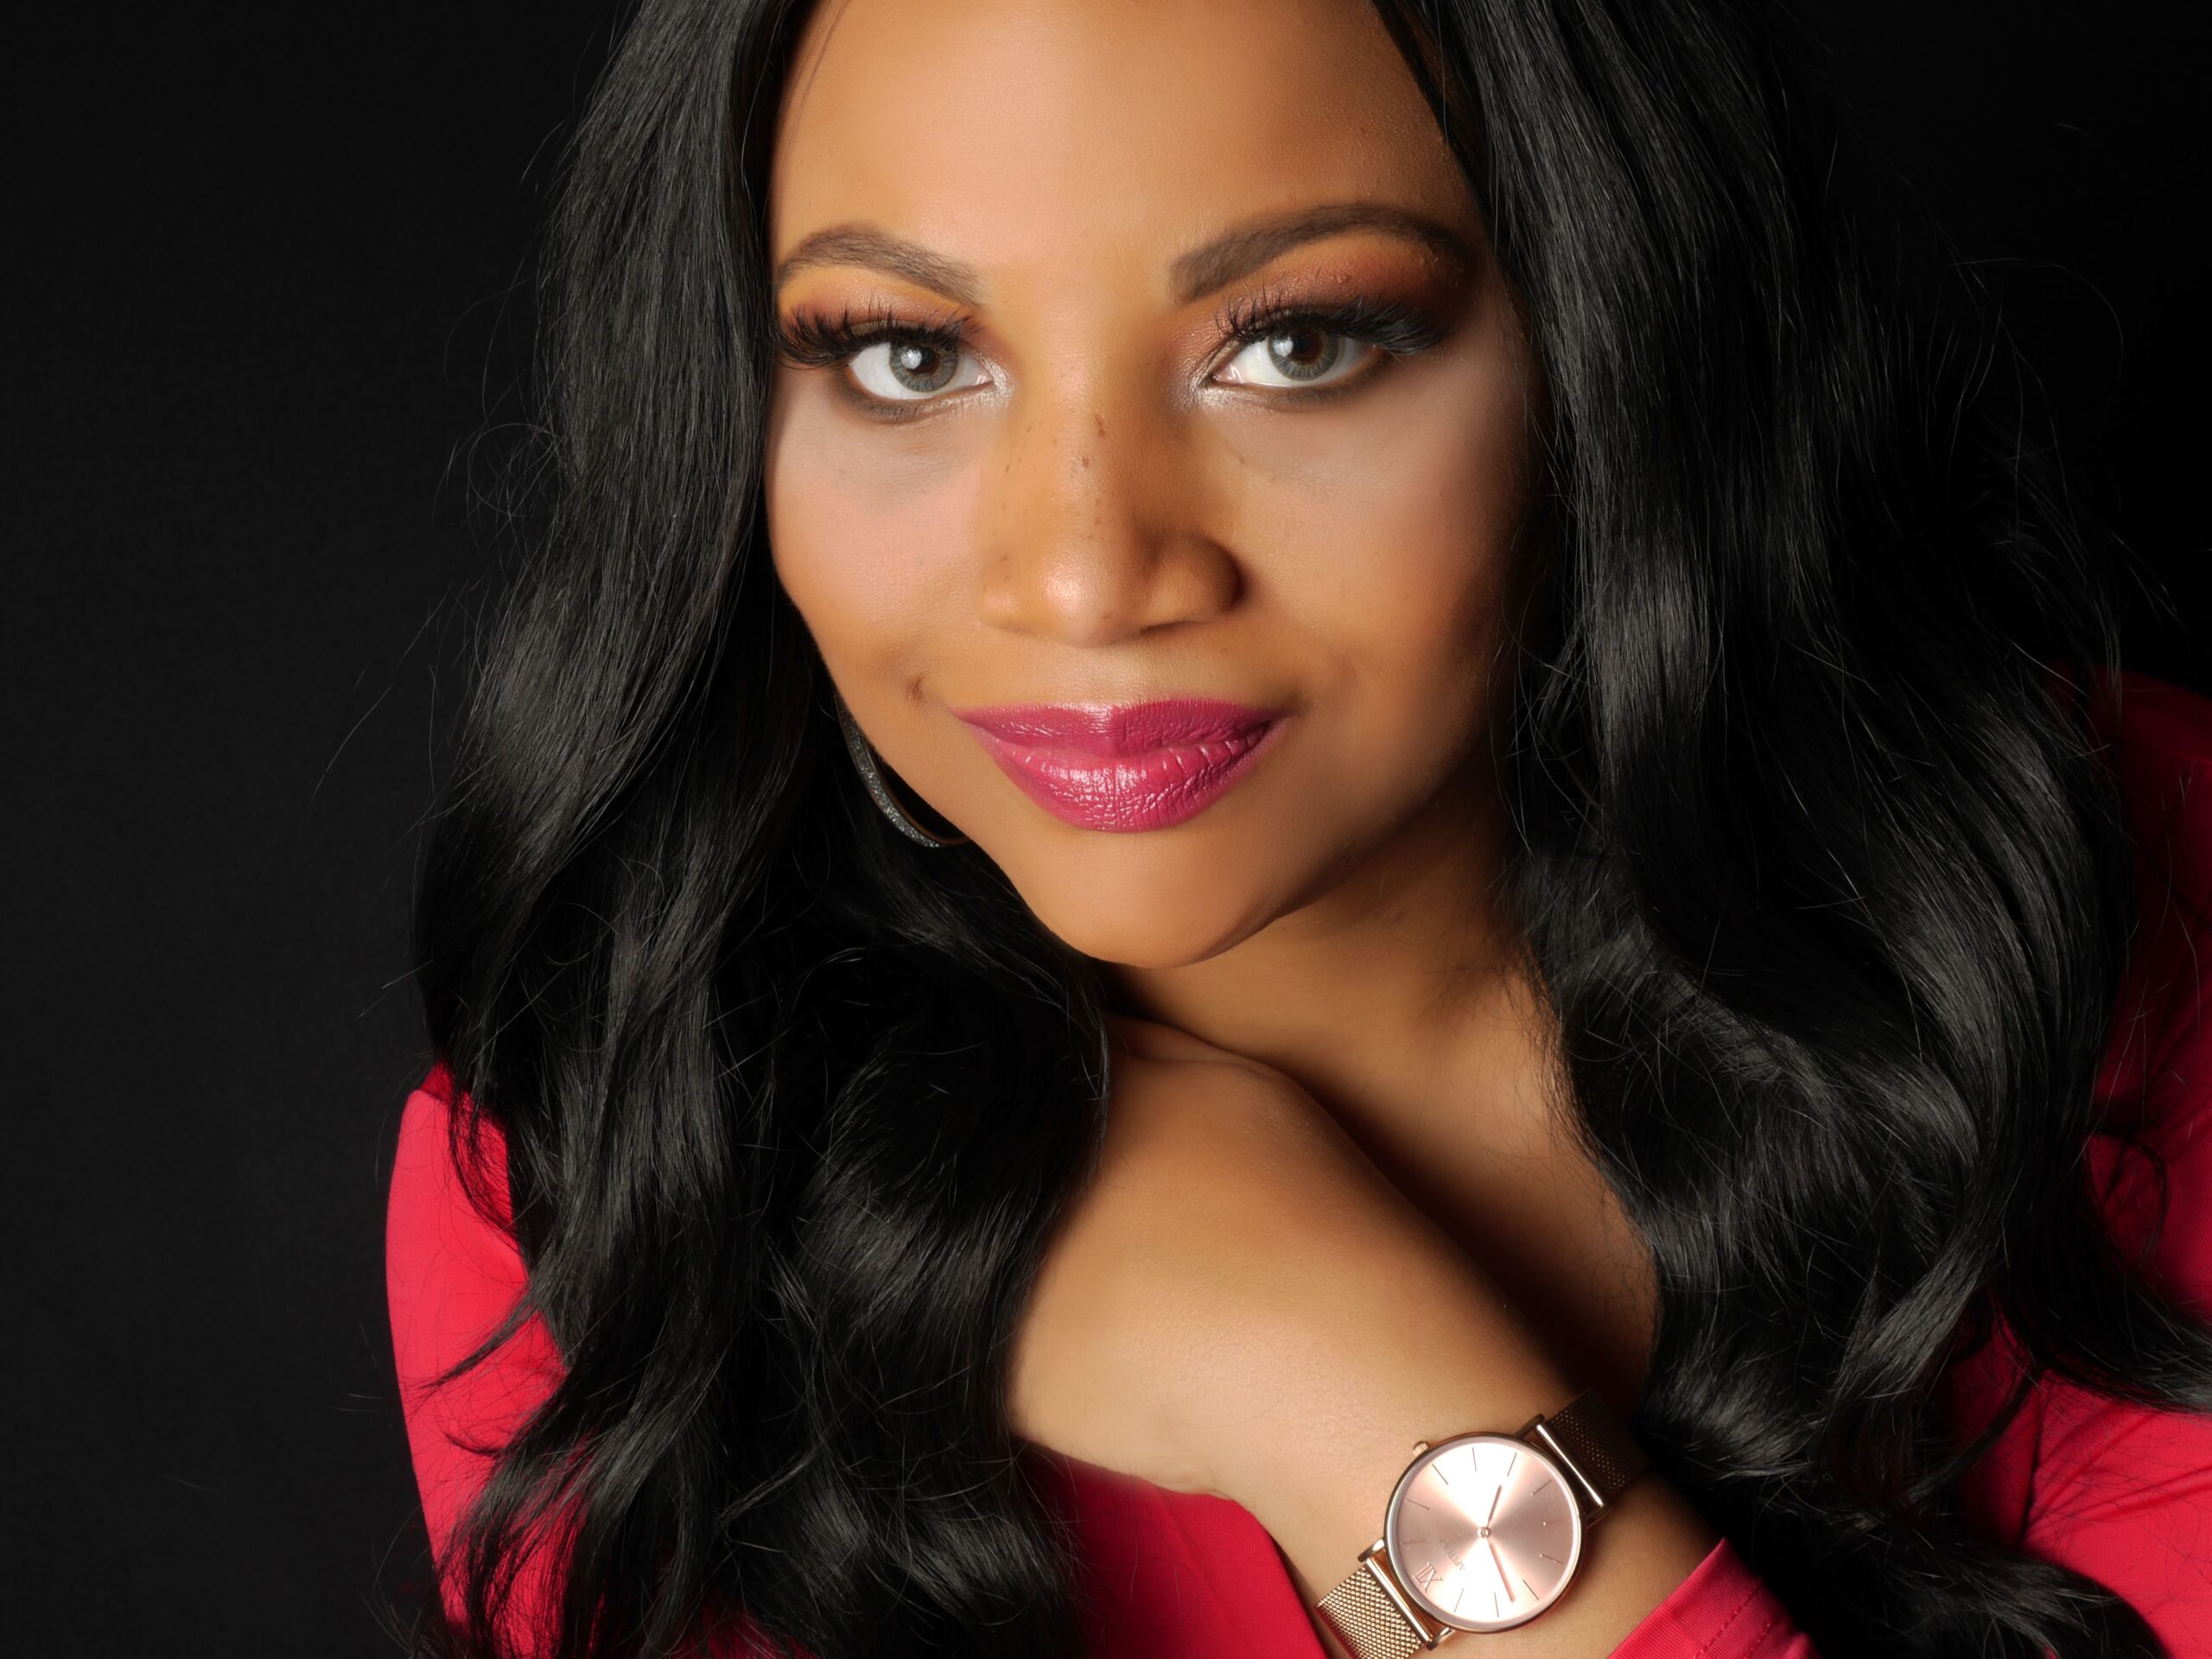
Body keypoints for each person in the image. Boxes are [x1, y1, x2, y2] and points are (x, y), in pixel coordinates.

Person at [383, 2, 2212, 1656]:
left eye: (1297, 341)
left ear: (1606, 335)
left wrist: (1343, 1388)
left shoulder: (2107, 902)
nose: (1085, 576)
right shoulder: (616, 1174)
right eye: (908, 358)